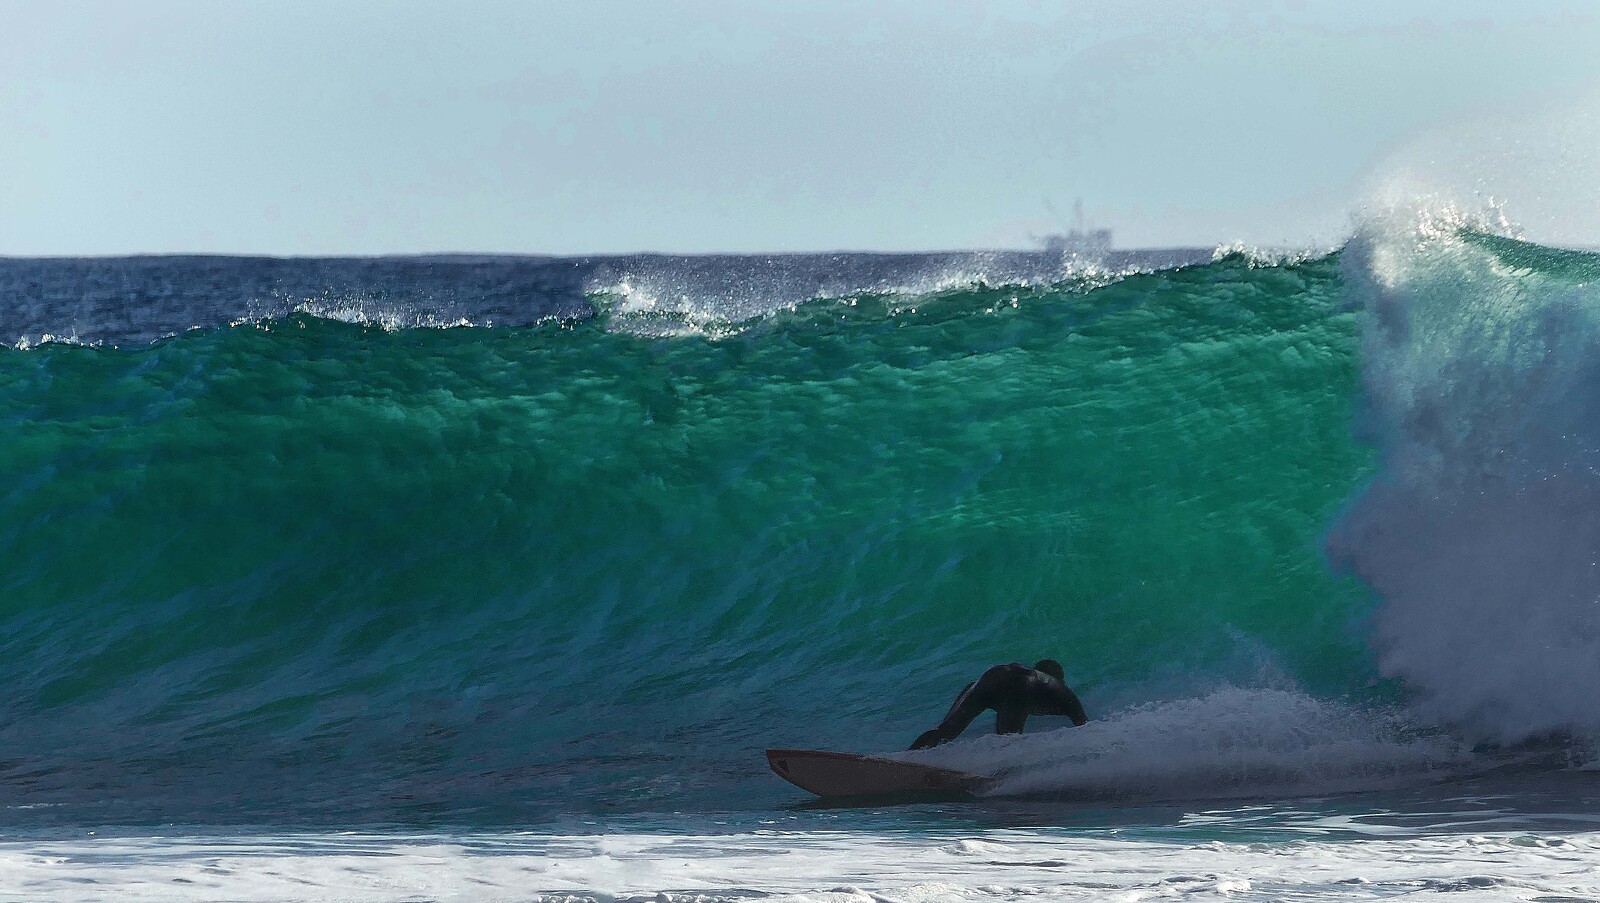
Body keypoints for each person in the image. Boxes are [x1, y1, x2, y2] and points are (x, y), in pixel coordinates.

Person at [910, 659, 1087, 750]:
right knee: (1008, 742)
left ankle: (909, 758)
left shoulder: (1036, 679)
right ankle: (1001, 780)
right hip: (1021, 684)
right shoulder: (1060, 689)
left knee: (944, 732)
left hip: (990, 677)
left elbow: (971, 686)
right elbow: (1085, 728)